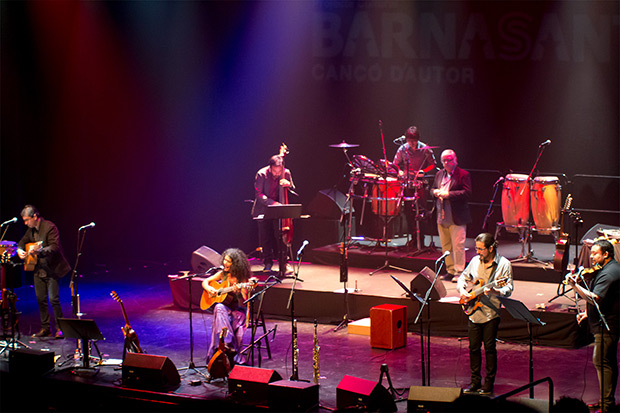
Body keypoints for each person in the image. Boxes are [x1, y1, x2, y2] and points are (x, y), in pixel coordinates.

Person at [456, 233, 513, 396]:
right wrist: (463, 292)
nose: (478, 252)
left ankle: (488, 384)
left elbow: (508, 289)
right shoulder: (474, 261)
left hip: (491, 313)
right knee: (473, 348)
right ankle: (475, 382)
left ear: (491, 248)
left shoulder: (504, 264)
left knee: (489, 348)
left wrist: (495, 290)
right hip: (474, 311)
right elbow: (462, 278)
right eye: (477, 248)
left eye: (481, 249)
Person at [567, 239, 619, 412]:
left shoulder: (609, 273)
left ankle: (607, 406)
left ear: (606, 254)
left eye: (595, 253)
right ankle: (606, 401)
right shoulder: (607, 269)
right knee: (605, 362)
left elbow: (595, 298)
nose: (591, 256)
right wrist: (589, 313)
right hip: (604, 321)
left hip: (608, 325)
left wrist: (575, 286)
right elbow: (609, 298)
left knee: (602, 362)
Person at [16, 205, 71, 338]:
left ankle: (60, 328)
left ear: (35, 216)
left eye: (27, 220)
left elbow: (54, 246)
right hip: (39, 269)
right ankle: (45, 328)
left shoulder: (49, 227)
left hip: (52, 269)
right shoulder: (31, 231)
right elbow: (22, 242)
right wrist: (19, 250)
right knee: (40, 299)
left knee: (53, 299)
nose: (25, 223)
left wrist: (40, 251)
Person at [203, 248, 255, 366]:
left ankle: (222, 347)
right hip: (225, 310)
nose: (225, 263)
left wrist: (238, 293)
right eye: (225, 260)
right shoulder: (223, 274)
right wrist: (209, 289)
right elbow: (205, 281)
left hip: (238, 312)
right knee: (219, 307)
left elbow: (243, 304)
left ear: (235, 264)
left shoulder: (242, 279)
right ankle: (227, 344)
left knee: (219, 309)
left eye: (228, 261)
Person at [392, 126, 437, 248]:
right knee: (408, 211)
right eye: (409, 141)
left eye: (414, 141)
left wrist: (424, 170)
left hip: (420, 182)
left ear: (418, 139)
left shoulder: (425, 149)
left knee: (421, 210)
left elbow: (433, 164)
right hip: (407, 182)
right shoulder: (403, 149)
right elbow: (394, 164)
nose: (411, 144)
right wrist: (399, 171)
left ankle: (421, 238)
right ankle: (413, 237)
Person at [431, 149, 472, 282]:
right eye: (444, 160)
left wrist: (449, 195)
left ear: (455, 160)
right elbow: (431, 189)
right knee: (446, 246)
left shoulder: (463, 174)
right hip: (441, 215)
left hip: (456, 216)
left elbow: (467, 193)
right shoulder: (439, 174)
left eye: (449, 160)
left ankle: (460, 272)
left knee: (458, 245)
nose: (446, 163)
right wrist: (435, 192)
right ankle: (450, 270)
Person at [251, 154, 295, 272]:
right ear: (270, 167)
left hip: (279, 209)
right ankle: (268, 263)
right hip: (264, 209)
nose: (276, 174)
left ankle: (284, 263)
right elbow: (258, 194)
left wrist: (288, 185)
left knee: (281, 236)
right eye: (274, 171)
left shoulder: (286, 173)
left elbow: (292, 189)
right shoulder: (261, 174)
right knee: (265, 237)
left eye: (279, 171)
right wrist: (272, 203)